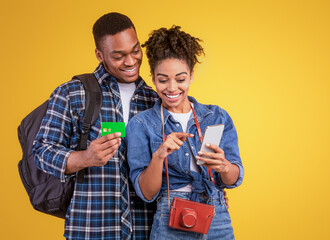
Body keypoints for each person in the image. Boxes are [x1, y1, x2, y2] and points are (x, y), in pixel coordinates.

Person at [33, 12, 158, 240]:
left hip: (147, 229)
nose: (130, 62)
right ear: (100, 55)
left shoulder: (154, 100)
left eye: (135, 50)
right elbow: (41, 151)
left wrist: (206, 194)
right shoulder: (72, 93)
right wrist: (85, 158)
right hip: (91, 228)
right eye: (118, 56)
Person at [126, 25, 244, 239]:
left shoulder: (216, 116)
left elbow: (234, 178)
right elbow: (146, 193)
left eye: (180, 79)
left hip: (216, 216)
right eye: (163, 80)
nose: (172, 88)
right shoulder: (141, 124)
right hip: (170, 217)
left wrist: (224, 166)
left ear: (191, 76)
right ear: (153, 78)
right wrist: (159, 156)